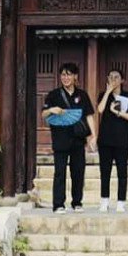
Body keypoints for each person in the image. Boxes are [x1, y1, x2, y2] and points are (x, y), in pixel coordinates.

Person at [41, 62, 94, 214]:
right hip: (60, 139)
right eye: (63, 75)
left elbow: (89, 115)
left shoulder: (82, 95)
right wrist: (52, 109)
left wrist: (93, 136)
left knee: (78, 171)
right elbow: (43, 114)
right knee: (59, 172)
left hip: (78, 139)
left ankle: (77, 202)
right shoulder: (54, 95)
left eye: (69, 74)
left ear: (75, 76)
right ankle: (58, 204)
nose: (66, 78)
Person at [95, 68, 128, 213]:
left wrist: (116, 112)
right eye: (111, 77)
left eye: (116, 77)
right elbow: (99, 109)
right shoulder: (103, 95)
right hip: (105, 140)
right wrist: (107, 92)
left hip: (122, 140)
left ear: (122, 80)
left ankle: (121, 202)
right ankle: (104, 200)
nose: (113, 79)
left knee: (122, 172)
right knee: (105, 172)